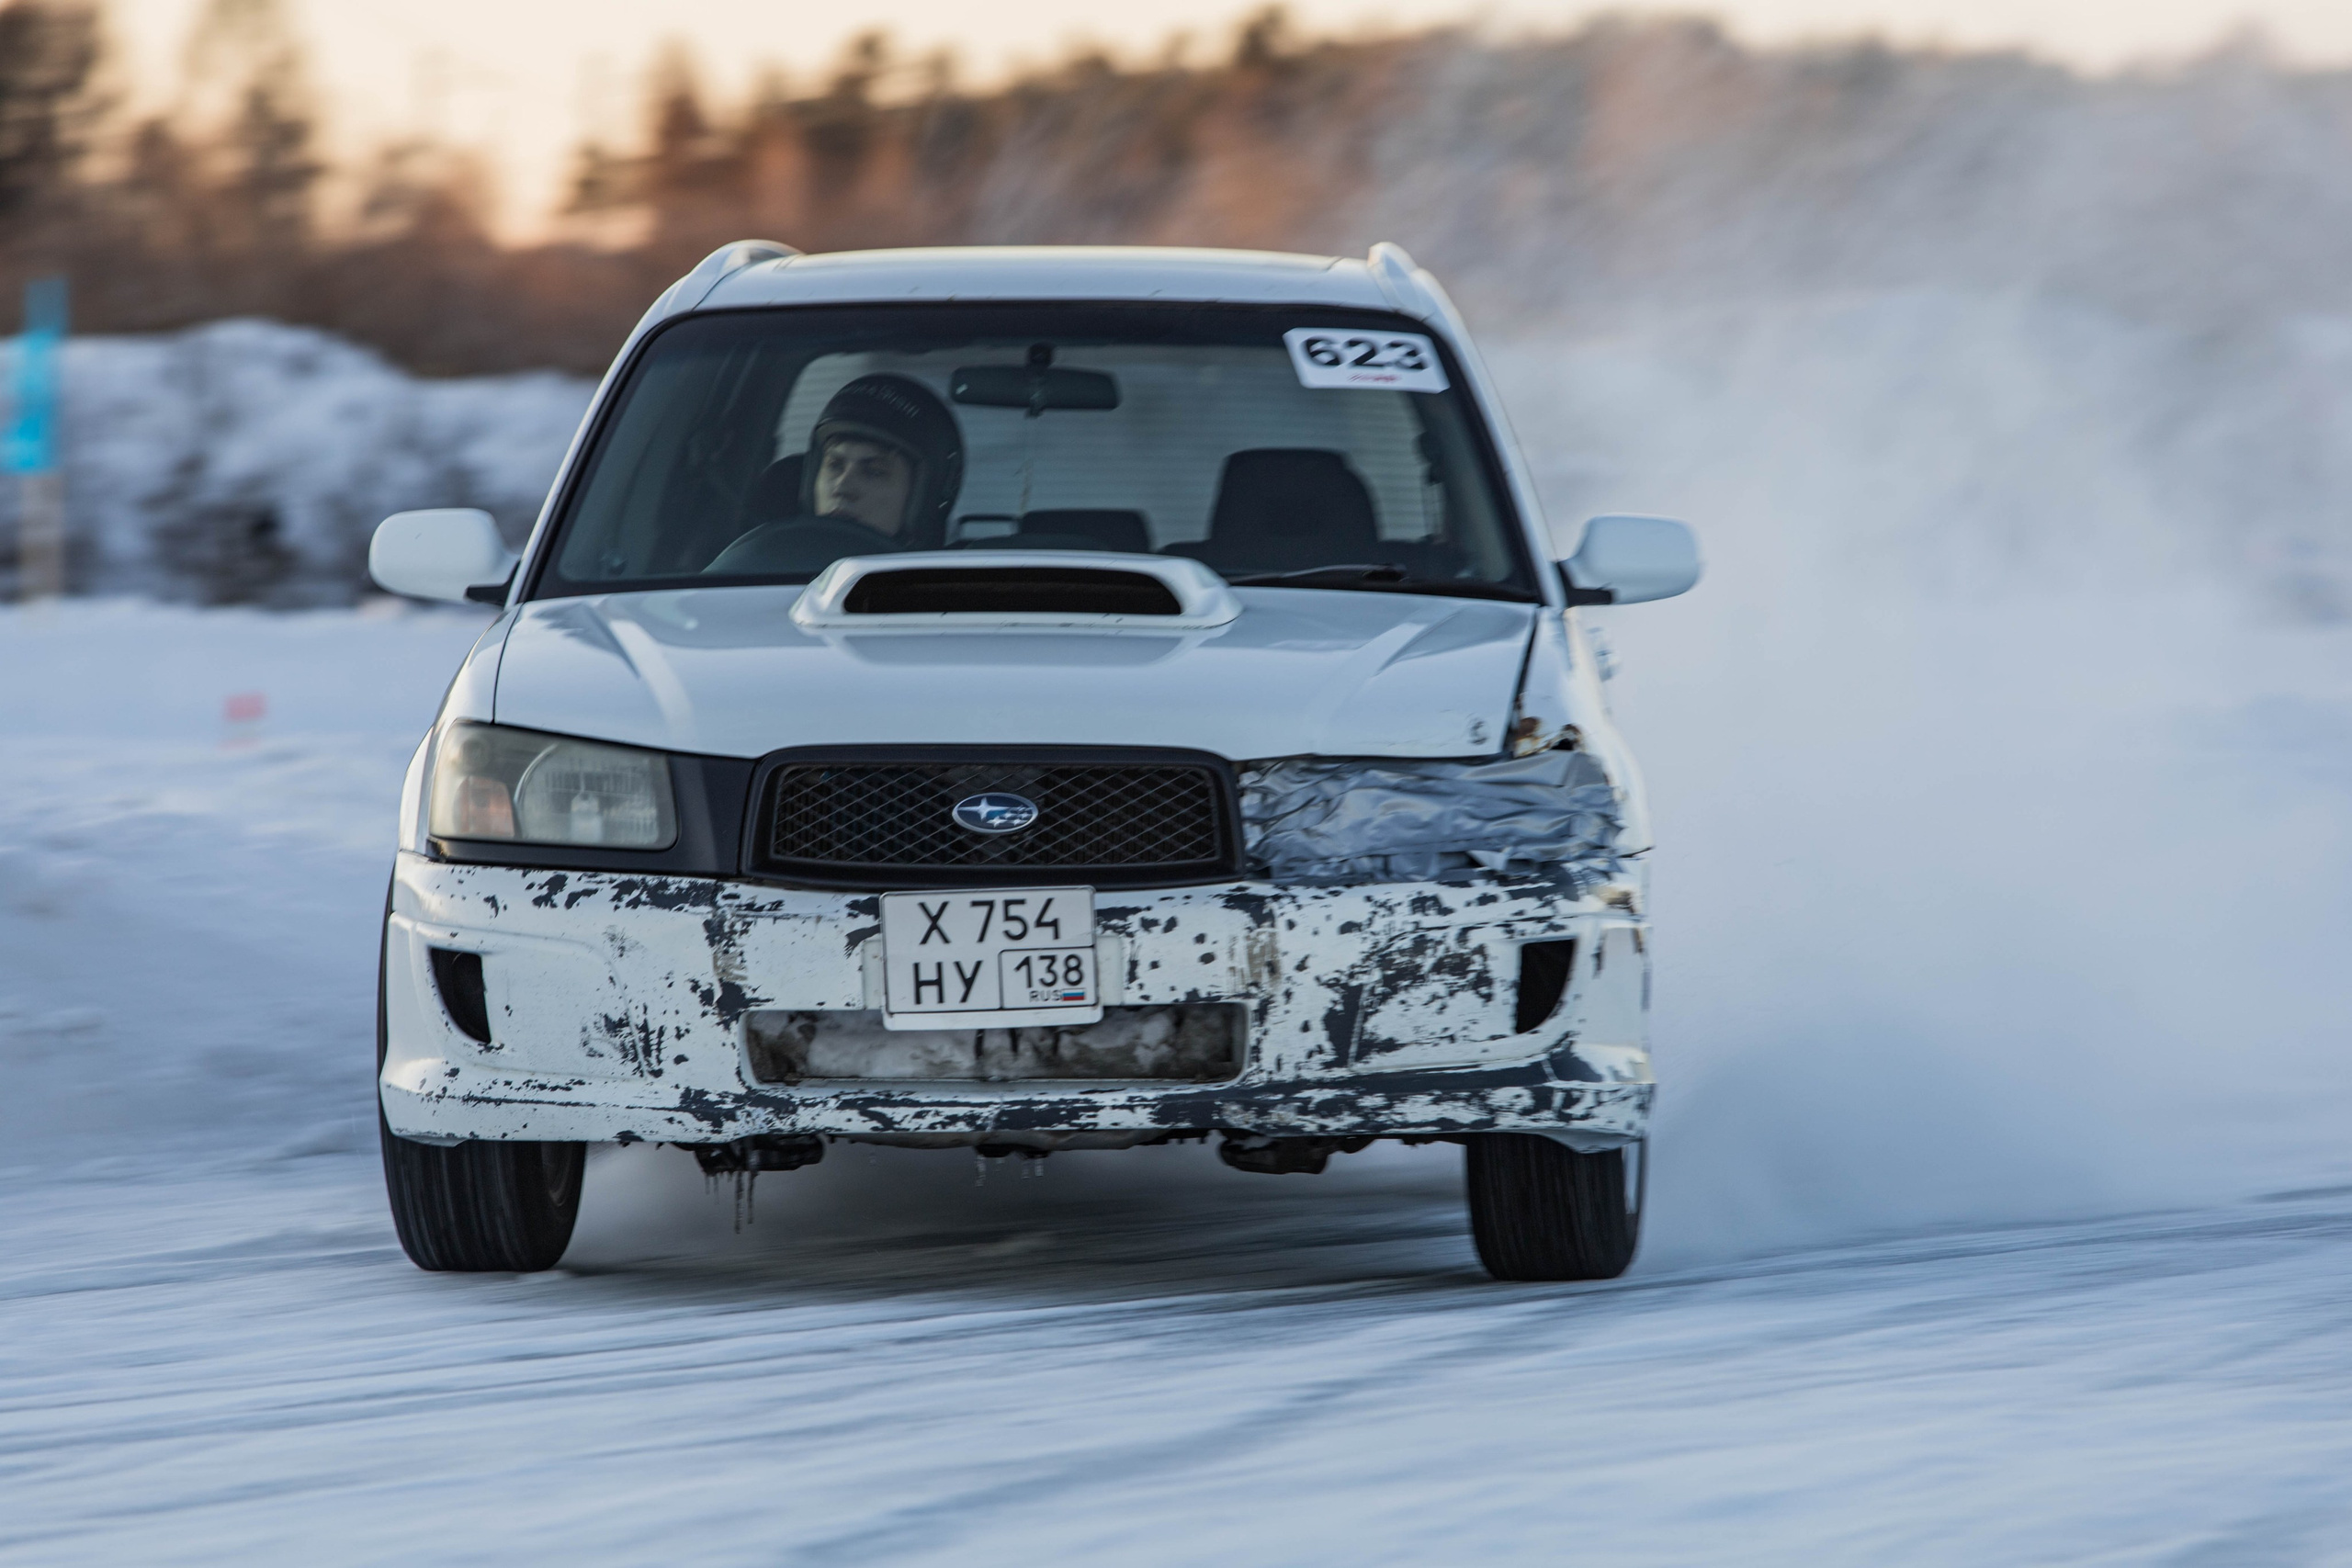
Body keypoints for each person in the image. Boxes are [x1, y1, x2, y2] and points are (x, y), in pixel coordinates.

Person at [706, 373, 965, 575]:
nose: (842, 487)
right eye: (834, 466)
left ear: (926, 496)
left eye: (874, 472)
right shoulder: (748, 572)